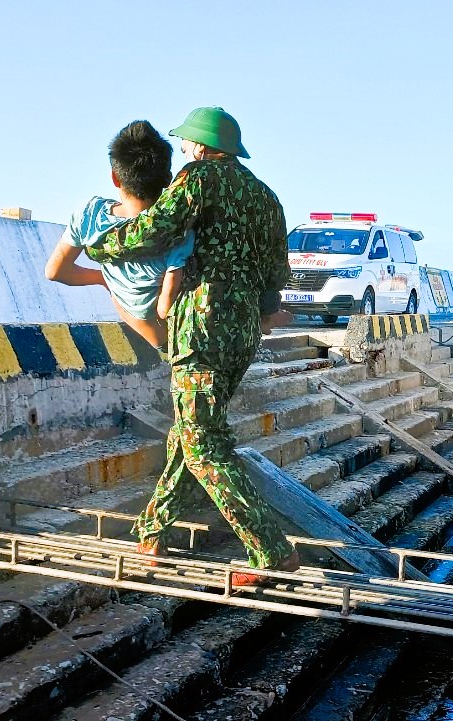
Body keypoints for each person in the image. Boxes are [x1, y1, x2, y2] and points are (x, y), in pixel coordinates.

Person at [85, 107, 298, 584]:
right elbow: (274, 278)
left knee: (203, 444)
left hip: (199, 327)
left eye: (186, 143)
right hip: (241, 332)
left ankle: (269, 549)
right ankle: (151, 529)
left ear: (200, 146)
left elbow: (153, 229)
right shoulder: (267, 197)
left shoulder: (197, 177)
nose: (183, 149)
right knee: (191, 431)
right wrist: (258, 314)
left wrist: (100, 245)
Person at [45, 120, 194, 350]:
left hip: (138, 322)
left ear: (115, 177)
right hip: (168, 335)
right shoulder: (177, 230)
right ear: (167, 180)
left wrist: (103, 279)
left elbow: (54, 271)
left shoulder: (90, 214)